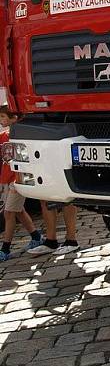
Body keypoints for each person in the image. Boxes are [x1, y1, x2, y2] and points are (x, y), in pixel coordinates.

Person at [0, 107, 43, 261]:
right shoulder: (4, 136)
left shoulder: (23, 136)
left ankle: (5, 249)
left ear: (14, 118)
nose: (1, 120)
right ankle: (36, 236)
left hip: (18, 178)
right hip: (7, 178)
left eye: (3, 116)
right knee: (18, 210)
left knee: (9, 213)